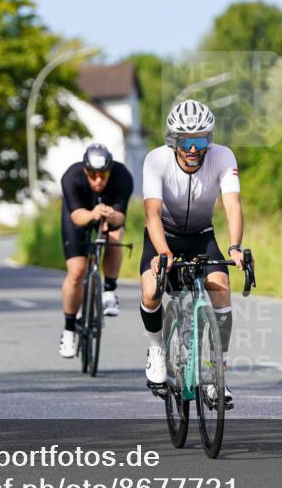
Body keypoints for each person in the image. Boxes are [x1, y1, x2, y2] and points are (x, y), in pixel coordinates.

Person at [140, 99, 245, 407]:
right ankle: (157, 350)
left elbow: (232, 205)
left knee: (221, 289)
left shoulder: (223, 156)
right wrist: (162, 251)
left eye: (199, 140)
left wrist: (235, 247)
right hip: (164, 235)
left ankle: (217, 373)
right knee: (150, 292)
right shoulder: (155, 160)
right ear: (172, 140)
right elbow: (151, 213)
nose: (191, 148)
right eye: (184, 141)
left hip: (201, 235)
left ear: (208, 140)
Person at [58, 143, 134, 358]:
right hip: (80, 216)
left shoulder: (122, 176)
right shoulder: (71, 177)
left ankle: (109, 290)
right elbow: (76, 217)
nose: (98, 179)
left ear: (110, 170)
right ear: (85, 170)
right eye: (93, 174)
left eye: (103, 174)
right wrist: (93, 214)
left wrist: (111, 216)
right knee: (76, 272)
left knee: (113, 237)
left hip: (109, 218)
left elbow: (121, 218)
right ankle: (69, 329)